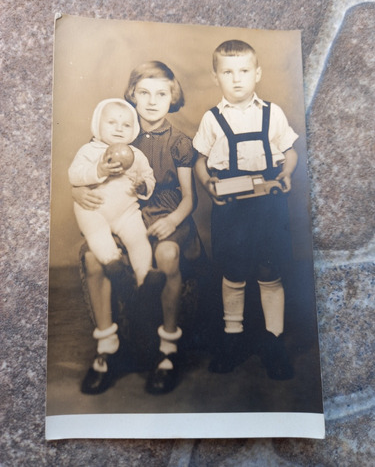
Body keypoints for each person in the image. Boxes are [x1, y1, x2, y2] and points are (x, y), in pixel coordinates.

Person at [73, 61, 200, 394]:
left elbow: (190, 199)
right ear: (132, 95)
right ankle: (107, 347)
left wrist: (172, 221)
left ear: (173, 97)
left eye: (161, 93)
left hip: (166, 215)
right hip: (123, 213)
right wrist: (77, 190)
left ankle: (167, 350)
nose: (152, 101)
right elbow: (87, 168)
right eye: (143, 93)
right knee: (92, 259)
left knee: (168, 255)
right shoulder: (116, 131)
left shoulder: (179, 143)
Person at [193, 40, 298, 380]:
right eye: (227, 72)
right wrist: (208, 184)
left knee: (269, 268)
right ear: (215, 76)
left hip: (269, 204)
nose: (236, 79)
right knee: (234, 270)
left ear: (257, 73)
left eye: (243, 71)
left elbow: (289, 151)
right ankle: (232, 337)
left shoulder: (273, 112)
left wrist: (286, 173)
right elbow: (201, 161)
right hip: (231, 204)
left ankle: (274, 340)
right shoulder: (212, 119)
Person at [69, 98, 160, 288]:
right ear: (97, 125)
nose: (119, 129)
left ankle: (146, 278)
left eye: (126, 125)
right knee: (97, 232)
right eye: (111, 123)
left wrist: (143, 186)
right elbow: (74, 175)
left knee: (139, 239)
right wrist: (99, 171)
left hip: (126, 212)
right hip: (94, 209)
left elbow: (149, 177)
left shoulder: (136, 155)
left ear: (134, 129)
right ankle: (113, 263)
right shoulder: (89, 150)